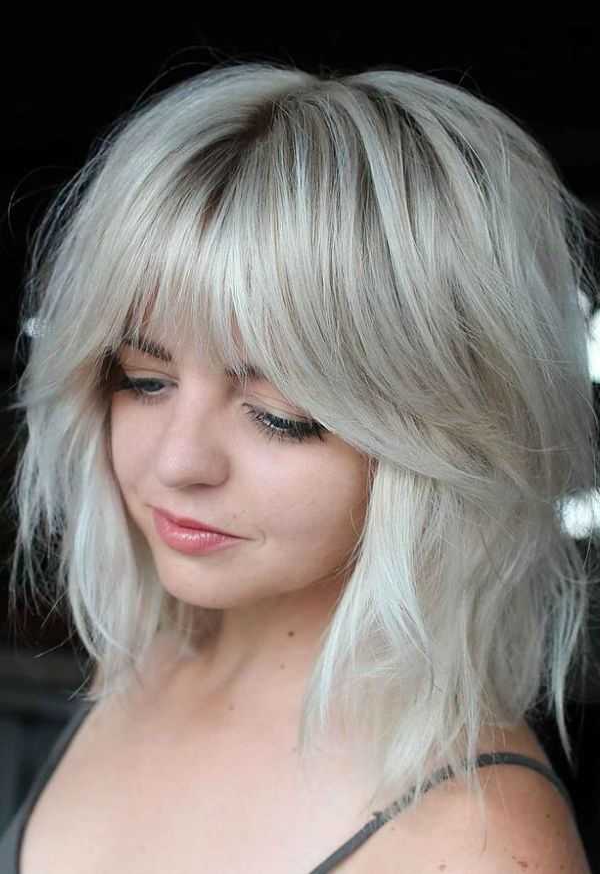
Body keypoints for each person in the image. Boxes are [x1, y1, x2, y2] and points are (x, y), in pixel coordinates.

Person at [1, 59, 597, 872]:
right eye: (143, 381)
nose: (179, 462)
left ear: (439, 439)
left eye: (282, 417)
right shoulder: (140, 662)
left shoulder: (477, 843)